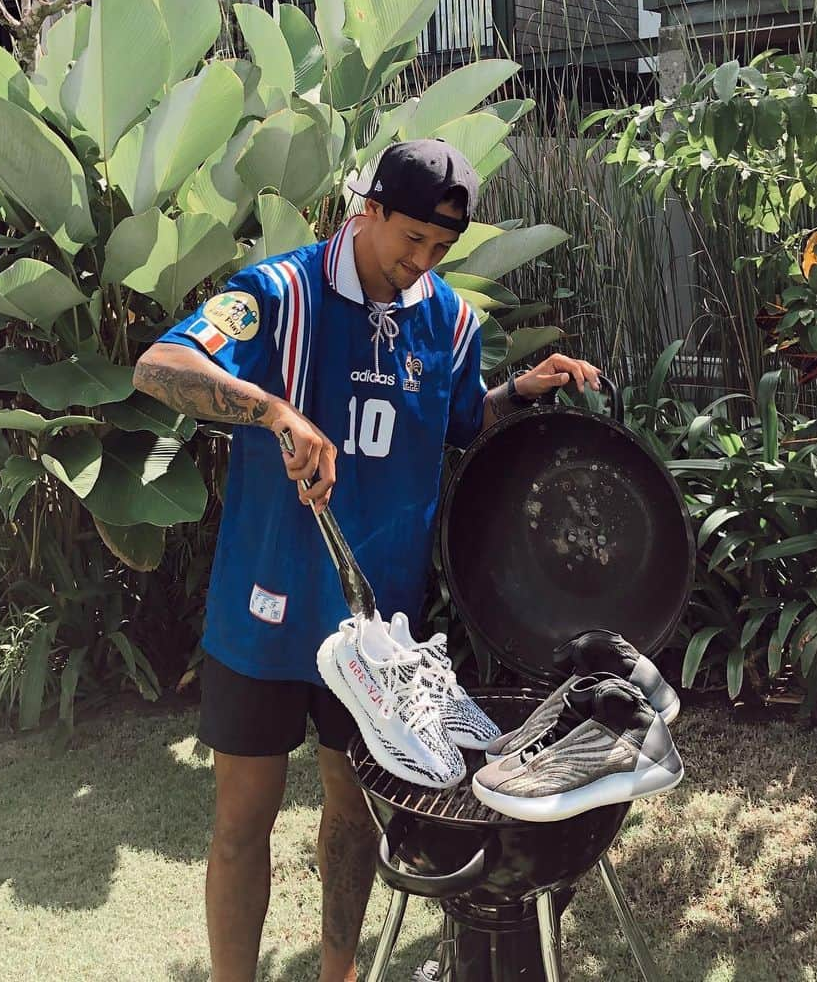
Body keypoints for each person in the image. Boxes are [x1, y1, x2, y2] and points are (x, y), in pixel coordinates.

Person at [132, 140, 602, 982]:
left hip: (382, 638)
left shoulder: (452, 320)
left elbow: (459, 423)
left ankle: (338, 974)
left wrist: (522, 392)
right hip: (265, 612)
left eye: (440, 248)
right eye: (409, 238)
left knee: (353, 818)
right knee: (244, 820)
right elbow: (160, 365)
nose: (420, 261)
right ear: (369, 210)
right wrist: (275, 410)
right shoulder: (280, 293)